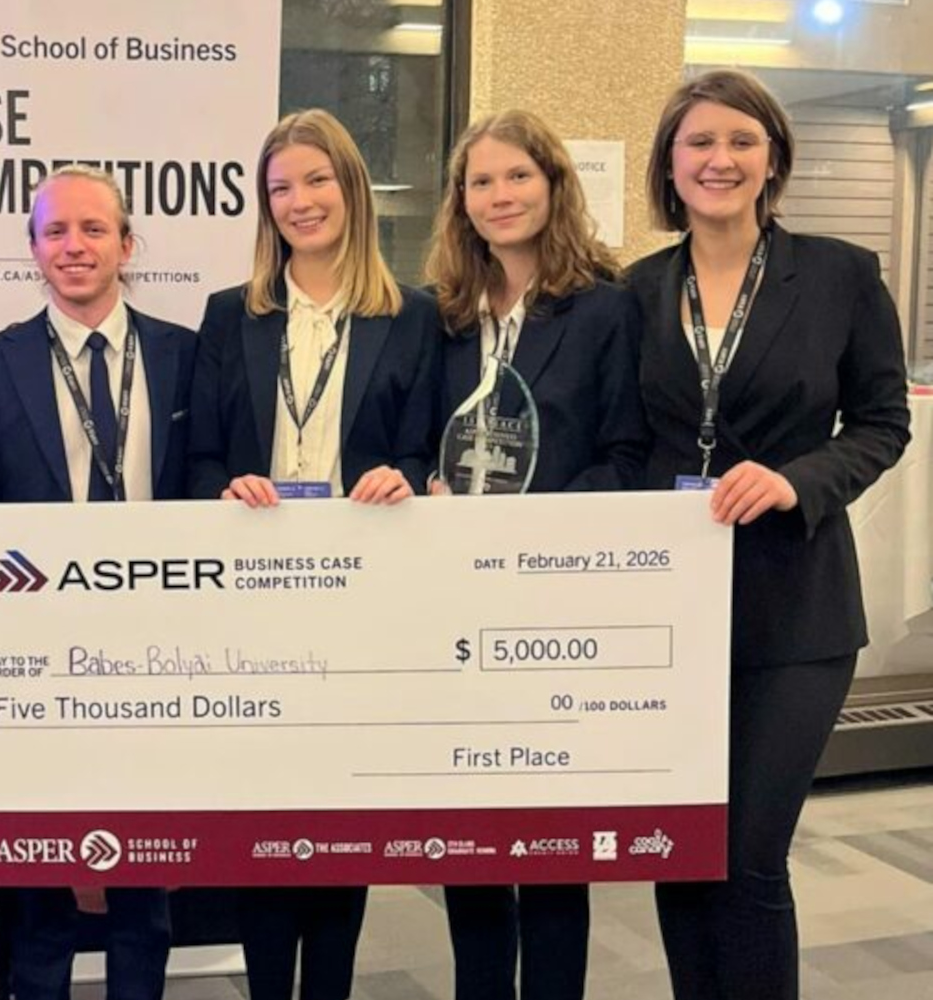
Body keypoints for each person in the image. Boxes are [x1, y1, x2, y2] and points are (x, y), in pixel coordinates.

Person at [629, 69, 910, 999]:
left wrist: (797, 481)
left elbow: (882, 423)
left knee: (749, 857)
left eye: (742, 141)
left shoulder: (839, 274)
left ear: (774, 158)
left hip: (796, 608)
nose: (721, 160)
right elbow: (619, 438)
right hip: (668, 612)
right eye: (700, 142)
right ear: (671, 164)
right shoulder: (635, 291)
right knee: (679, 851)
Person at [0, 164, 194, 1000]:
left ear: (127, 244)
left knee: (144, 874)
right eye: (54, 232)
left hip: (159, 648)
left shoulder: (186, 354)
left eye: (93, 229)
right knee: (40, 879)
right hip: (36, 654)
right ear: (33, 249)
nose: (74, 246)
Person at [188, 108, 441, 1000]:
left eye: (317, 180)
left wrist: (404, 478)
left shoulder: (413, 315)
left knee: (343, 822)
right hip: (255, 601)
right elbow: (200, 457)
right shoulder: (232, 315)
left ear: (351, 188)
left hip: (361, 603)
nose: (300, 201)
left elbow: (422, 451)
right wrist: (225, 490)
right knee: (264, 821)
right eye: (281, 188)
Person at [423, 109, 648, 1000]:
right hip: (456, 604)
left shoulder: (606, 308)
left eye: (518, 176)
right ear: (461, 201)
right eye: (480, 182)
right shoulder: (443, 315)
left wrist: (536, 526)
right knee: (472, 840)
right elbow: (411, 441)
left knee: (554, 843)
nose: (500, 195)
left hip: (557, 600)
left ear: (554, 185)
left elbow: (628, 454)